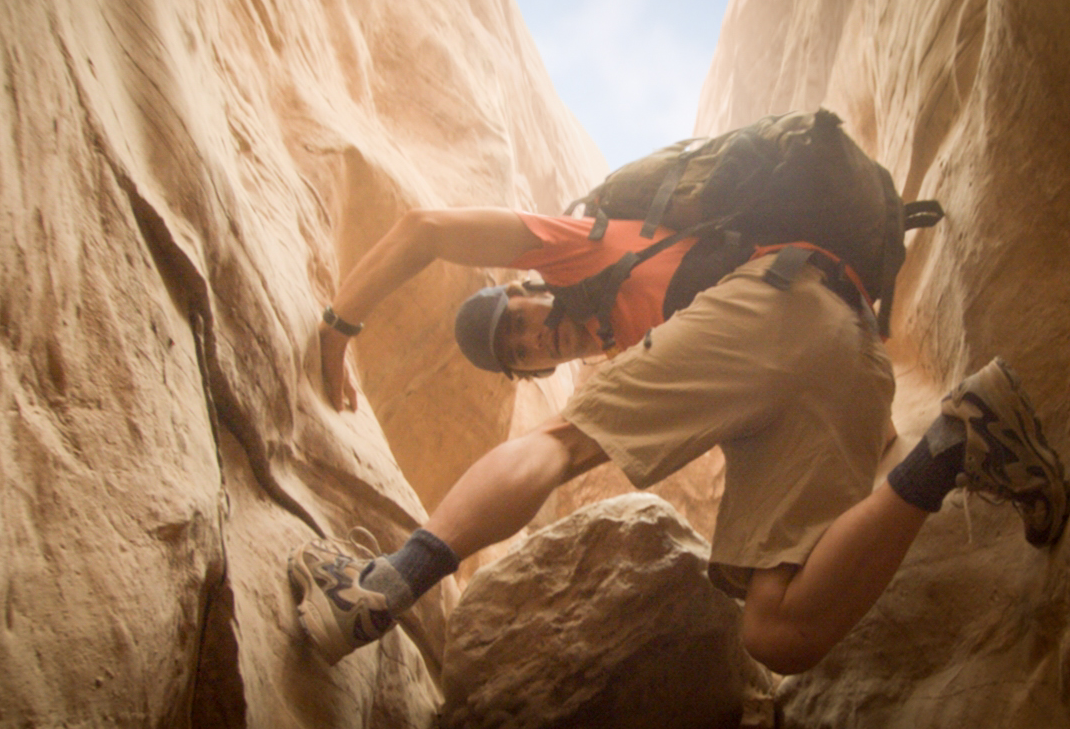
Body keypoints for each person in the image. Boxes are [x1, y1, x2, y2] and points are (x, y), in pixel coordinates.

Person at [288, 206, 1069, 674]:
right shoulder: (643, 352)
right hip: (850, 351)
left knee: (564, 442)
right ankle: (960, 444)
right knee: (778, 631)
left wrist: (338, 324)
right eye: (523, 352)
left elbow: (423, 229)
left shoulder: (582, 239)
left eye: (521, 318)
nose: (536, 335)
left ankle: (384, 584)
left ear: (529, 284)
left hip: (778, 295)